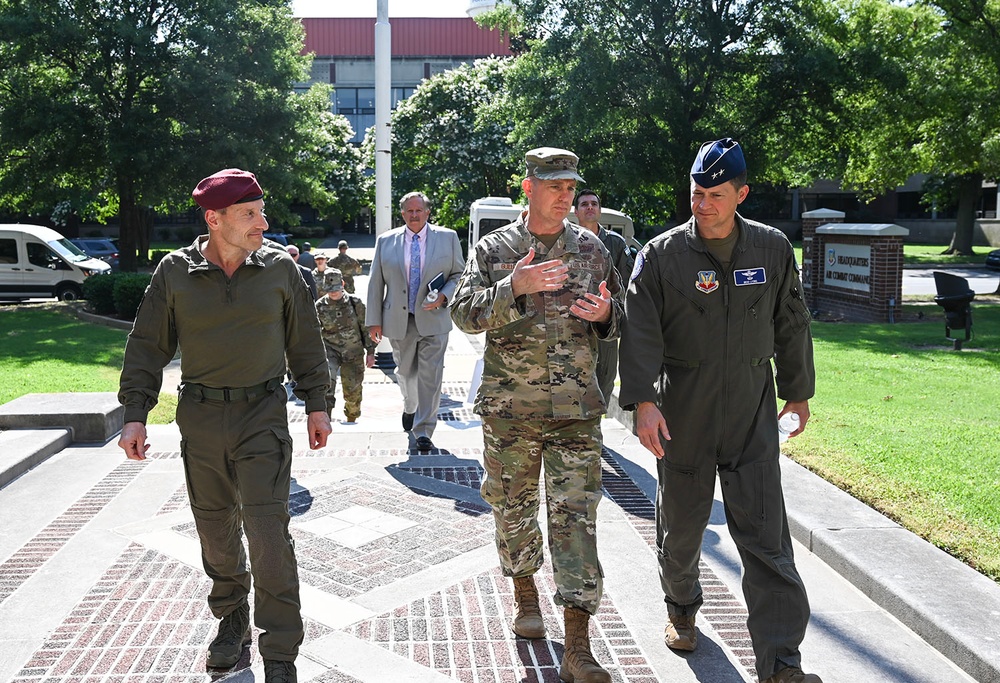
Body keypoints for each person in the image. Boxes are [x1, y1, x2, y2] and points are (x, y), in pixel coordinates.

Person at [117, 168, 332, 683]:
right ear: (215, 219)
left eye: (261, 211)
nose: (263, 222)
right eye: (249, 214)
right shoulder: (175, 271)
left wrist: (318, 402)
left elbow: (305, 342)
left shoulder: (280, 269)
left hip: (263, 414)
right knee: (214, 528)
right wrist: (134, 414)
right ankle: (231, 614)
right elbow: (148, 345)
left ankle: (280, 649)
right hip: (201, 416)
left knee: (267, 530)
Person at [618, 139, 820, 683]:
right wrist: (642, 402)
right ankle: (681, 609)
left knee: (766, 540)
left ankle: (781, 663)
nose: (702, 204)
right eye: (696, 192)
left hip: (751, 410)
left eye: (715, 195)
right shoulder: (661, 256)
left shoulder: (772, 249)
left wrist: (797, 392)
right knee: (681, 532)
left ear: (742, 194)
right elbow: (639, 331)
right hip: (684, 410)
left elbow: (792, 321)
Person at [451, 147, 622, 683]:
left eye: (571, 186)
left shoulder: (593, 249)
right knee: (513, 509)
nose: (565, 195)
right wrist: (514, 288)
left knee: (576, 520)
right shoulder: (494, 248)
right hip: (511, 412)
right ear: (528, 188)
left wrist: (607, 316)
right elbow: (463, 314)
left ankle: (577, 646)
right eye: (554, 186)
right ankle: (525, 595)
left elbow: (619, 319)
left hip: (575, 412)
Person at [365, 191, 465, 451]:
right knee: (406, 374)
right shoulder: (386, 242)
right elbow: (376, 283)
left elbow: (459, 274)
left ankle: (424, 431)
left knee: (430, 377)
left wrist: (444, 295)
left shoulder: (448, 238)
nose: (414, 215)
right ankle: (410, 406)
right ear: (402, 214)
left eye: (419, 210)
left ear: (428, 212)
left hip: (434, 318)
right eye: (409, 211)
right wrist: (373, 321)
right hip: (400, 320)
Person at [573, 189, 634, 407]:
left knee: (604, 381)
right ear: (576, 211)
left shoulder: (615, 243)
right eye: (584, 204)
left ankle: (596, 435)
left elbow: (627, 285)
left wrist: (613, 313)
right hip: (573, 326)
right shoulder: (566, 241)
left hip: (605, 326)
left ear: (599, 210)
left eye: (594, 204)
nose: (590, 207)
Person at [315, 267, 376, 422]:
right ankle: (325, 419)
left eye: (336, 289)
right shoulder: (319, 306)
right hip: (330, 351)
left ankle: (351, 418)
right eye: (330, 290)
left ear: (342, 284)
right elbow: (314, 333)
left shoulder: (356, 304)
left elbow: (365, 328)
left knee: (353, 391)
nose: (333, 293)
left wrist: (370, 352)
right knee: (327, 381)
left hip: (353, 353)